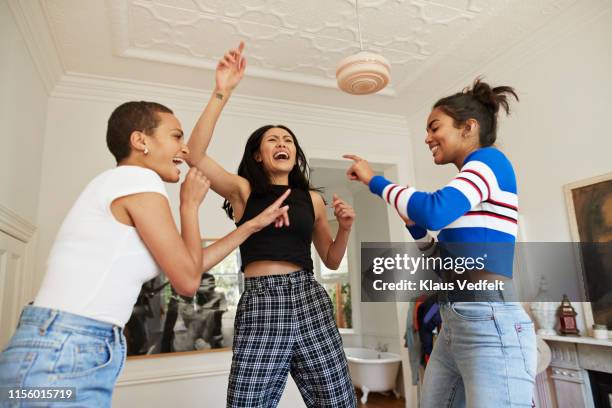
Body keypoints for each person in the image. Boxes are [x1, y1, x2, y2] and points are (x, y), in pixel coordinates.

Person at [0, 63, 291, 405]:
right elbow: (187, 281)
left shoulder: (120, 184)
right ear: (140, 141)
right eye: (176, 136)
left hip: (63, 345)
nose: (184, 150)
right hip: (66, 347)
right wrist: (189, 207)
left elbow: (190, 266)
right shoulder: (137, 180)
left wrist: (251, 226)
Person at [344, 78, 537, 407]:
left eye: (435, 127)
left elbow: (434, 210)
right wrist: (415, 229)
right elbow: (441, 263)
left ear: (468, 127)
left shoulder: (490, 162)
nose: (427, 137)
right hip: (454, 320)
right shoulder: (468, 192)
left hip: (490, 318)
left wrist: (374, 180)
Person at [186, 42, 358, 407]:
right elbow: (194, 155)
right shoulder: (243, 190)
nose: (283, 144)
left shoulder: (311, 198)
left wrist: (344, 228)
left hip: (309, 297)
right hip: (262, 302)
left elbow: (329, 259)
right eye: (273, 140)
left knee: (338, 400)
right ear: (257, 155)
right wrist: (222, 91)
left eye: (288, 140)